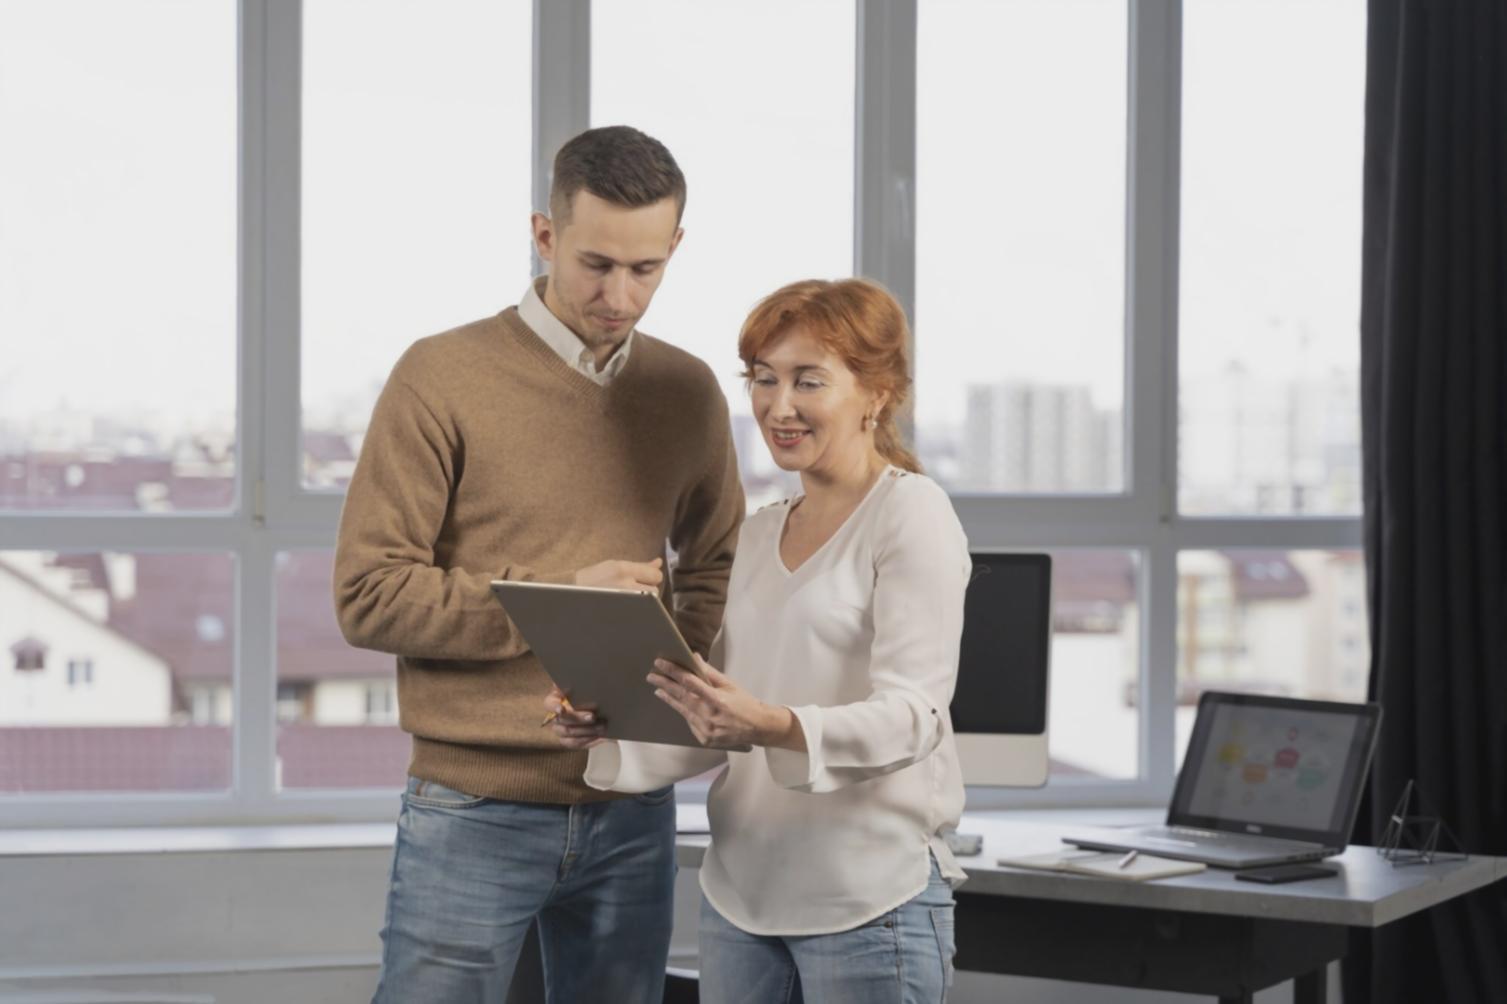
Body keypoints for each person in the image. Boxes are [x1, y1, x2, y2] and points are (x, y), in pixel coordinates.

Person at [334, 125, 744, 1003]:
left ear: (675, 246)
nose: (619, 294)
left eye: (646, 268)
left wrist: (653, 676)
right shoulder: (440, 376)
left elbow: (720, 564)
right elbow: (368, 596)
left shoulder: (688, 390)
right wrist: (554, 607)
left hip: (632, 806)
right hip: (471, 806)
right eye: (596, 262)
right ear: (544, 234)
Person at [550, 278, 971, 1003]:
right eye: (762, 379)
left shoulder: (911, 514)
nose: (779, 406)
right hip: (740, 897)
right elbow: (720, 716)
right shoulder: (759, 529)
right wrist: (608, 723)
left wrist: (774, 725)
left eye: (808, 381)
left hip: (866, 902)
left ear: (876, 392)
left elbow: (914, 716)